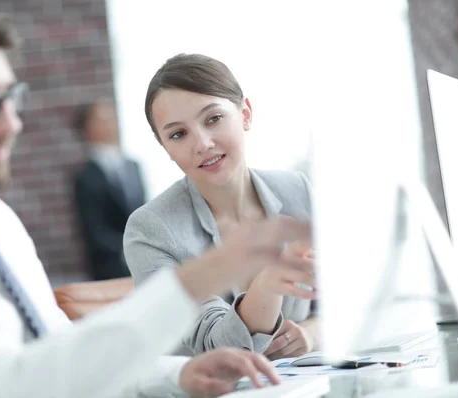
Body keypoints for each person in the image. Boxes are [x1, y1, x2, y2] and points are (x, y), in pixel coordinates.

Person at [0, 2, 312, 397]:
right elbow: (5, 385)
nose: (11, 124)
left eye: (9, 98)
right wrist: (196, 279)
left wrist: (175, 375)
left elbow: (56, 349)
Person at [124, 53, 320, 359]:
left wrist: (310, 332)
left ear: (245, 114)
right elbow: (216, 345)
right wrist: (267, 285)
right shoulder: (150, 230)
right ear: (166, 148)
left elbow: (350, 298)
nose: (201, 143)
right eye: (178, 134)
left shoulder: (297, 190)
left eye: (213, 118)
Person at [72, 99, 146, 280]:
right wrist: (129, 248)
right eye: (100, 120)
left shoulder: (133, 166)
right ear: (87, 129)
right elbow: (94, 230)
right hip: (112, 269)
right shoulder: (85, 177)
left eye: (111, 118)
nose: (109, 125)